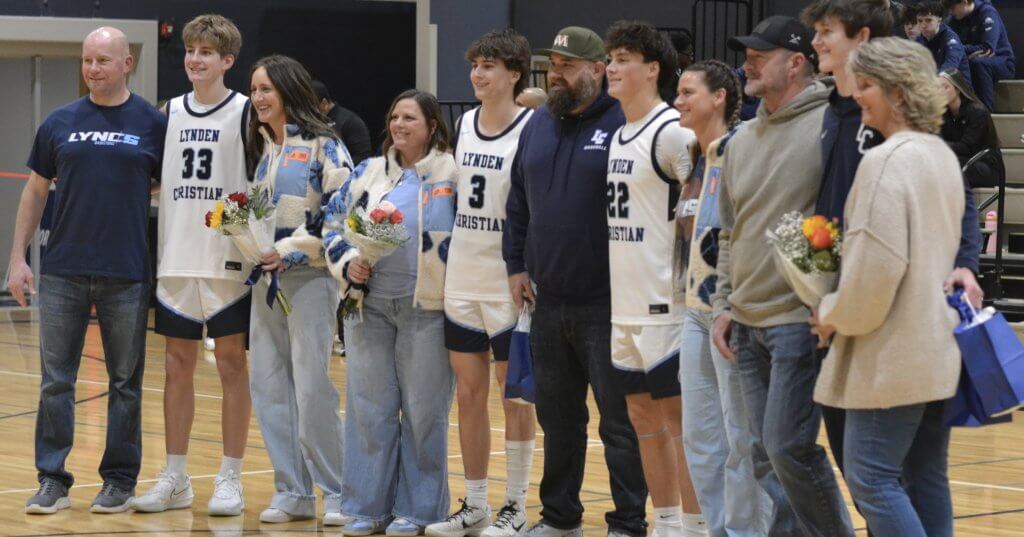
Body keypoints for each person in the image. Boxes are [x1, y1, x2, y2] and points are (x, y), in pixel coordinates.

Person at [10, 26, 166, 514]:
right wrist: (16, 258)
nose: (93, 69)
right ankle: (52, 479)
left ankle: (119, 481)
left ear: (127, 64)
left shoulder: (152, 123)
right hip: (62, 271)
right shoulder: (59, 122)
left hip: (127, 271)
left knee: (125, 383)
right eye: (87, 60)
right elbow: (35, 190)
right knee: (56, 381)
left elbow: (168, 188)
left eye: (103, 60)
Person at [810, 36, 961, 537]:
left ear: (899, 94)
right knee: (925, 478)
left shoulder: (885, 162)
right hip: (936, 348)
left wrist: (831, 311)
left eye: (869, 85)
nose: (858, 95)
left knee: (872, 479)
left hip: (890, 356)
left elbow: (874, 278)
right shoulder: (941, 155)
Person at [711, 16, 855, 536]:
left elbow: (838, 215)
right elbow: (730, 230)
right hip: (746, 320)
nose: (748, 62)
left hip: (799, 318)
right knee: (764, 455)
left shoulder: (830, 125)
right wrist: (724, 303)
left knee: (787, 447)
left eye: (761, 54)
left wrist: (826, 296)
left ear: (797, 62)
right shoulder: (741, 138)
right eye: (747, 53)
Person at [503, 25, 649, 537]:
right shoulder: (539, 123)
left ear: (596, 69)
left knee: (619, 424)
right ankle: (560, 516)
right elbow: (517, 200)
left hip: (607, 302)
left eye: (566, 66)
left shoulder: (625, 122)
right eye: (553, 65)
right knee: (558, 420)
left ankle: (629, 522)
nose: (555, 74)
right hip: (546, 298)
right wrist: (515, 265)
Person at [130, 14, 252, 517]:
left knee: (230, 365)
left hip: (229, 260)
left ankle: (230, 476)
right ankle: (175, 476)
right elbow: (157, 178)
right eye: (190, 51)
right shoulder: (168, 112)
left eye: (206, 52)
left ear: (227, 60)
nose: (195, 60)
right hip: (177, 257)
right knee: (177, 366)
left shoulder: (247, 112)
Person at [323, 89, 456, 537]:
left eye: (410, 118)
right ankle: (365, 507)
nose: (399, 125)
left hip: (426, 309)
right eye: (395, 117)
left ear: (431, 126)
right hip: (369, 306)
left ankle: (420, 511)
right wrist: (348, 262)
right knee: (368, 409)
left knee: (423, 412)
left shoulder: (449, 174)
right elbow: (331, 223)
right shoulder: (367, 173)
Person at [426, 30, 536, 537]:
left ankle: (515, 503)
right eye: (475, 65)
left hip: (508, 283)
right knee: (468, 396)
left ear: (515, 73)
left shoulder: (532, 127)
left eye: (489, 66)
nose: (478, 74)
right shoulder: (464, 123)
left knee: (514, 398)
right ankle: (474, 503)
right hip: (462, 279)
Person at [603, 21, 706, 537]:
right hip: (624, 303)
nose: (612, 67)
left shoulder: (671, 131)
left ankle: (695, 524)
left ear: (653, 69)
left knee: (680, 424)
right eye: (610, 58)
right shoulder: (619, 132)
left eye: (623, 58)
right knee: (642, 422)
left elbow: (704, 203)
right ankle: (664, 522)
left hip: (666, 304)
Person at [246, 54, 351, 526]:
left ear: (288, 90)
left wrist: (291, 250)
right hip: (265, 284)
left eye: (265, 89)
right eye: (253, 90)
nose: (258, 98)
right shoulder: (266, 148)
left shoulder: (325, 146)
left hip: (308, 280)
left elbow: (342, 215)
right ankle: (293, 490)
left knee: (312, 390)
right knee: (267, 385)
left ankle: (339, 491)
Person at [675, 59, 771, 537]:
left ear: (720, 97)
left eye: (688, 92)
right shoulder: (692, 157)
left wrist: (732, 302)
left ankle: (747, 532)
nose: (678, 100)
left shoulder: (741, 149)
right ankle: (719, 529)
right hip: (694, 310)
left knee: (740, 438)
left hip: (731, 311)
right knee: (701, 438)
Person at [944, 0, 1015, 111]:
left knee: (978, 63)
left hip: (1002, 61)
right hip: (971, 60)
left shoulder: (987, 12)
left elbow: (987, 48)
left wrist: (959, 49)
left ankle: (986, 113)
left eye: (953, 8)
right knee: (953, 64)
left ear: (965, 2)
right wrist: (962, 52)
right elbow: (947, 46)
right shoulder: (952, 20)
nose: (950, 11)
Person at [940, 68, 1003, 187]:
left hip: (986, 166)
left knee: (948, 164)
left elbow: (967, 147)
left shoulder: (977, 112)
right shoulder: (944, 114)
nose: (940, 92)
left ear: (958, 89)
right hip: (963, 161)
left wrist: (938, 146)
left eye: (945, 87)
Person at [312, 80, 373, 164]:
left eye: (310, 108)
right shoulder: (309, 122)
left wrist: (338, 171)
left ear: (324, 103)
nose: (305, 112)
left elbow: (363, 158)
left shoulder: (351, 121)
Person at [916, 2, 972, 84]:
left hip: (958, 90)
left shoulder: (950, 39)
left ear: (939, 20)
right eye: (920, 21)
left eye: (928, 20)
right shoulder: (919, 40)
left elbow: (950, 67)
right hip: (933, 86)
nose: (923, 25)